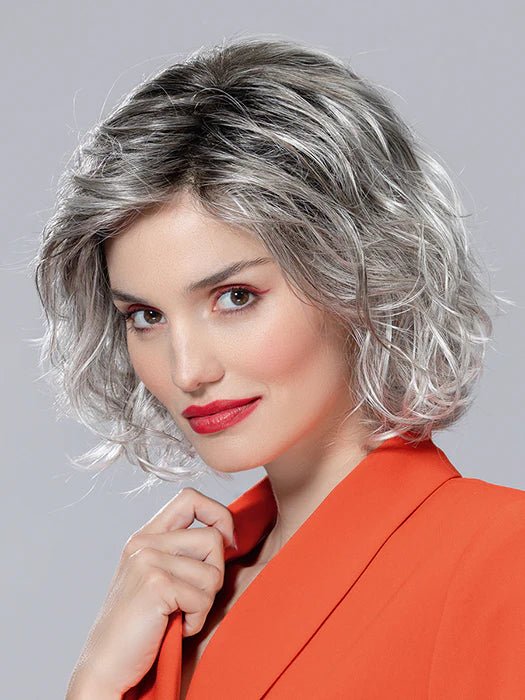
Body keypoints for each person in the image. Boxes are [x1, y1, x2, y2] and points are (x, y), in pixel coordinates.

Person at [31, 35, 524, 700]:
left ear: (358, 276)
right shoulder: (173, 596)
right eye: (145, 316)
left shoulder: (500, 558)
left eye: (235, 297)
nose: (187, 370)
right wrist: (93, 683)